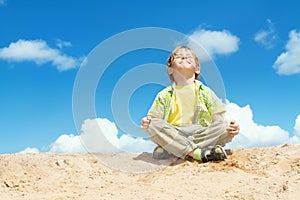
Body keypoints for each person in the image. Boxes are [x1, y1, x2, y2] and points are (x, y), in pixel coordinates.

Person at [140, 46, 240, 163]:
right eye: (178, 57)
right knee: (153, 125)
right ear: (170, 69)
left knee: (224, 125)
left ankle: (173, 149)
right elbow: (154, 119)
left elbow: (218, 119)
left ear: (197, 69)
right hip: (175, 132)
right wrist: (147, 123)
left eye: (189, 57)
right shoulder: (164, 95)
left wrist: (232, 128)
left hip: (201, 133)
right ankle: (196, 153)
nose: (184, 57)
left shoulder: (205, 92)